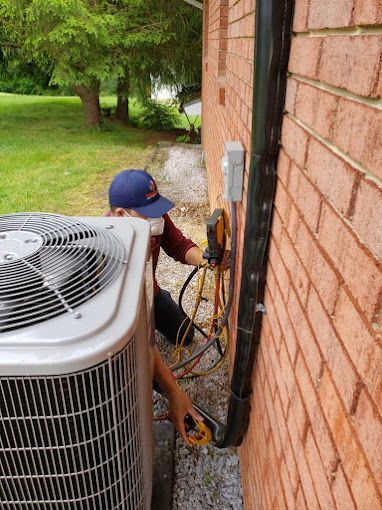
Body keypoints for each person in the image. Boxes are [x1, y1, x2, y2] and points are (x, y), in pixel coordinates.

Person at [108, 169, 205, 444]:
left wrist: (205, 258)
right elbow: (142, 336)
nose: (157, 219)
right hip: (131, 308)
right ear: (119, 217)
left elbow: (179, 245)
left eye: (157, 211)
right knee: (140, 358)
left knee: (185, 334)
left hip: (152, 293)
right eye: (148, 214)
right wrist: (176, 393)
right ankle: (155, 376)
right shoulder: (112, 254)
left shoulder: (155, 219)